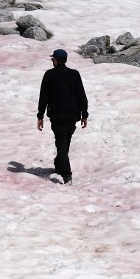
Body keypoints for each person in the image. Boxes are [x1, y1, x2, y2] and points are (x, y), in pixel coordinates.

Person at [36, 48, 88, 184]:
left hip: (57, 115)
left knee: (61, 143)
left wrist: (40, 116)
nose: (52, 61)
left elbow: (43, 97)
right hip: (72, 115)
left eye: (53, 59)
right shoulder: (74, 74)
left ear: (56, 60)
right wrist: (84, 114)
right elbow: (81, 96)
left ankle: (66, 175)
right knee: (64, 142)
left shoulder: (49, 74)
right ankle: (59, 164)